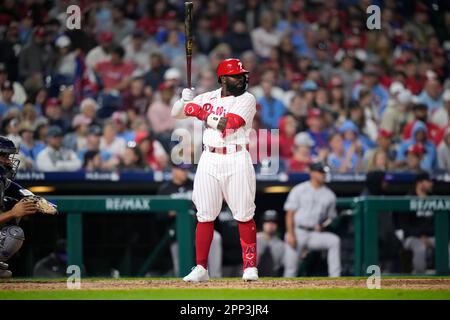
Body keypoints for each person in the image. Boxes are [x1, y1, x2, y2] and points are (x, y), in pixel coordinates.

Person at [171, 58, 258, 282]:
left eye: (242, 75)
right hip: (209, 157)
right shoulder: (208, 97)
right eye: (236, 76)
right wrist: (184, 100)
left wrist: (199, 113)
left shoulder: (247, 99)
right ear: (223, 79)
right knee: (205, 215)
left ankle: (250, 266)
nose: (241, 79)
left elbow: (231, 123)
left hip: (236, 156)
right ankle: (201, 268)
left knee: (244, 214)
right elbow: (176, 114)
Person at [157, 163, 222, 277]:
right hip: (177, 232)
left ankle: (216, 276)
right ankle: (182, 282)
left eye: (186, 170)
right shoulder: (165, 189)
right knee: (180, 269)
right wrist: (173, 212)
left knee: (215, 237)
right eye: (182, 170)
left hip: (196, 227)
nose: (184, 172)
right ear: (174, 170)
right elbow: (159, 216)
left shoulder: (194, 184)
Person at [283, 161, 341, 277]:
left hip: (314, 234)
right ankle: (285, 291)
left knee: (334, 241)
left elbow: (331, 218)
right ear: (312, 173)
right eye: (320, 172)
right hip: (297, 232)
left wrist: (323, 226)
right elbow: (290, 213)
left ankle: (335, 277)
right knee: (290, 270)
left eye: (324, 172)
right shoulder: (299, 189)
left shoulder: (330, 195)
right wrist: (290, 234)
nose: (323, 175)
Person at [395, 171, 450, 274]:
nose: (431, 184)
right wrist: (420, 236)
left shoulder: (435, 199)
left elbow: (441, 223)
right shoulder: (408, 199)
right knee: (420, 248)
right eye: (428, 181)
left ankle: (446, 280)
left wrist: (442, 236)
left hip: (433, 236)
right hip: (412, 237)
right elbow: (405, 226)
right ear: (419, 183)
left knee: (447, 246)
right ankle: (420, 280)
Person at [0, 136, 38, 278]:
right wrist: (13, 213)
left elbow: (18, 190)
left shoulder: (1, 180)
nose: (8, 161)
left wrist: (38, 200)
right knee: (13, 233)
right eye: (4, 157)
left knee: (10, 203)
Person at [256, 210, 285, 277]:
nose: (270, 225)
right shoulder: (253, 239)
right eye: (267, 221)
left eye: (273, 222)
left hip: (273, 276)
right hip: (252, 274)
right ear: (262, 223)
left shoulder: (281, 244)